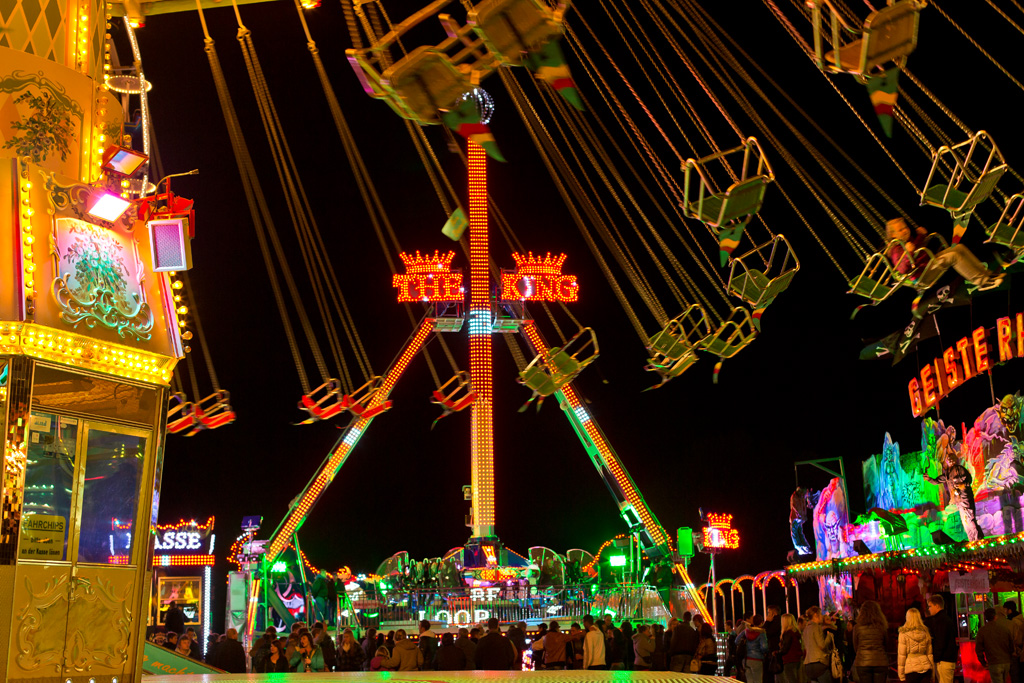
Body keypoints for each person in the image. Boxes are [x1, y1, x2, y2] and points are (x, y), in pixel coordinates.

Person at [886, 218, 1004, 293]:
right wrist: (909, 253)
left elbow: (917, 248)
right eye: (900, 230)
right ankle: (982, 283)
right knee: (953, 256)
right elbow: (902, 269)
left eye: (905, 227)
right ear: (893, 234)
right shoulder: (896, 249)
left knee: (959, 248)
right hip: (922, 276)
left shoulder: (907, 240)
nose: (906, 231)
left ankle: (987, 274)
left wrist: (920, 236)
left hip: (928, 264)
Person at [924, 430, 984, 541]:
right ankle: (972, 539)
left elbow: (969, 479)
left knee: (970, 519)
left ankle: (978, 538)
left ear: (955, 460)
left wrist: (962, 485)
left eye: (951, 459)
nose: (949, 461)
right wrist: (929, 479)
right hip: (958, 500)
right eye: (948, 459)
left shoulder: (959, 469)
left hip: (965, 497)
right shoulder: (947, 473)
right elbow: (937, 481)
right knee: (965, 520)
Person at [853, 600, 889, 683]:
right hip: (880, 661)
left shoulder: (857, 627)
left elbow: (856, 646)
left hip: (863, 662)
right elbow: (886, 644)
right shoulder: (882, 627)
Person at [977, 607, 1015, 683]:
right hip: (1006, 662)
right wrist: (1010, 658)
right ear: (995, 616)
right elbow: (1011, 646)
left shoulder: (982, 631)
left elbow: (979, 649)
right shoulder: (1004, 629)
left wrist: (983, 662)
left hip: (994, 662)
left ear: (985, 618)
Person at [925, 595, 957, 683]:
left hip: (943, 660)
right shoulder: (946, 619)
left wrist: (936, 658)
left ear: (937, 606)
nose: (929, 609)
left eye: (930, 606)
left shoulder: (940, 621)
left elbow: (941, 641)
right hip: (946, 659)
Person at [898, 607, 934, 683]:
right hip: (926, 667)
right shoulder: (925, 632)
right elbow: (929, 654)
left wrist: (901, 675)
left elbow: (902, 655)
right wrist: (933, 673)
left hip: (911, 669)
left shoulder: (903, 634)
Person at [803, 607, 835, 683]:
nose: (822, 617)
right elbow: (822, 645)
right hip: (819, 663)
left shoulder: (805, 629)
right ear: (815, 615)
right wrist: (829, 637)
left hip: (808, 665)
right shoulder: (816, 627)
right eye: (820, 614)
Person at [745, 614, 770, 683]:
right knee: (758, 680)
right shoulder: (761, 633)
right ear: (761, 623)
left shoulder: (746, 631)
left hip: (746, 659)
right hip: (757, 659)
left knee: (749, 680)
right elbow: (764, 647)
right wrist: (765, 652)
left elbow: (736, 641)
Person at [779, 614, 803, 683]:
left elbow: (786, 648)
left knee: (790, 679)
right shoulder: (796, 633)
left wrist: (778, 652)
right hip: (797, 658)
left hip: (789, 659)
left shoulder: (787, 633)